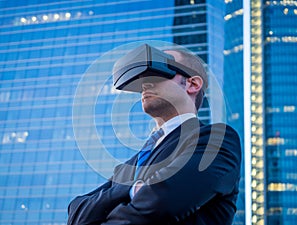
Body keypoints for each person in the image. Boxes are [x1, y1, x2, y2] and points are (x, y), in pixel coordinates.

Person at [67, 46, 241, 225]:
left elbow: (160, 204)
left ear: (192, 84)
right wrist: (134, 188)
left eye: (159, 70)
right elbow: (77, 213)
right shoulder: (131, 165)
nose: (146, 83)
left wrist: (120, 195)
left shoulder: (217, 140)